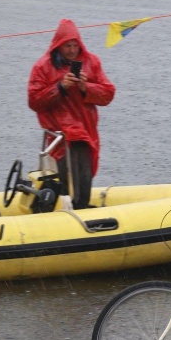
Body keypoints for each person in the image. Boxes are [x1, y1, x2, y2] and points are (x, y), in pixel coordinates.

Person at [28, 19, 115, 209]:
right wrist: (59, 87)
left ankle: (81, 207)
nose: (72, 50)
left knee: (84, 179)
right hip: (59, 135)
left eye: (75, 45)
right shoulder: (42, 67)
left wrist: (86, 87)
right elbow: (34, 101)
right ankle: (65, 211)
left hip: (85, 133)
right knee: (65, 182)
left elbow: (108, 94)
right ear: (58, 45)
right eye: (67, 45)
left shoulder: (91, 62)